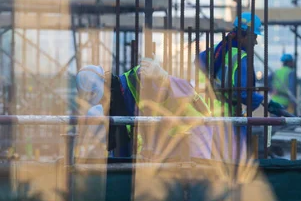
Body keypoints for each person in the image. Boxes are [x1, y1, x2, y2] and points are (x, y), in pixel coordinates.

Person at [75, 58, 212, 161]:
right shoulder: (117, 106)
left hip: (192, 156)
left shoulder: (140, 80)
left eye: (101, 99)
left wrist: (165, 80)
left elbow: (200, 111)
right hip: (169, 164)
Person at [198, 12, 264, 160]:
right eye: (254, 37)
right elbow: (244, 93)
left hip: (207, 114)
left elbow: (197, 64)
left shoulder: (216, 50)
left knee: (212, 161)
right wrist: (264, 101)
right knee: (235, 163)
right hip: (229, 117)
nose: (255, 43)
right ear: (243, 36)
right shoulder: (241, 58)